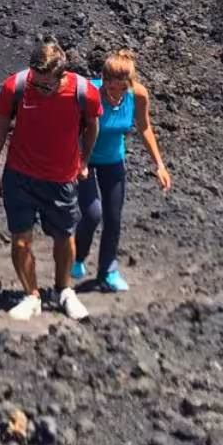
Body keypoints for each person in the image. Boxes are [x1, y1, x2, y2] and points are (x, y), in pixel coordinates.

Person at [0, 40, 102, 322]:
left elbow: (92, 127)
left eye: (46, 85)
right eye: (36, 82)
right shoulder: (17, 86)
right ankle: (31, 294)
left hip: (61, 179)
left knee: (64, 236)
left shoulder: (84, 92)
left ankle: (64, 291)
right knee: (20, 240)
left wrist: (83, 162)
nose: (40, 89)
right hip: (20, 177)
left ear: (63, 76)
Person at [73, 51, 172, 292]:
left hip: (113, 161)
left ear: (129, 83)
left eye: (119, 87)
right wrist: (78, 162)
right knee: (92, 214)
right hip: (84, 158)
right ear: (103, 79)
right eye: (109, 84)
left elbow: (144, 128)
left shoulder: (137, 95)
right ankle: (77, 257)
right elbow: (72, 128)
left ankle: (108, 271)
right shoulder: (90, 93)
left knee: (113, 218)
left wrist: (159, 164)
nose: (113, 92)